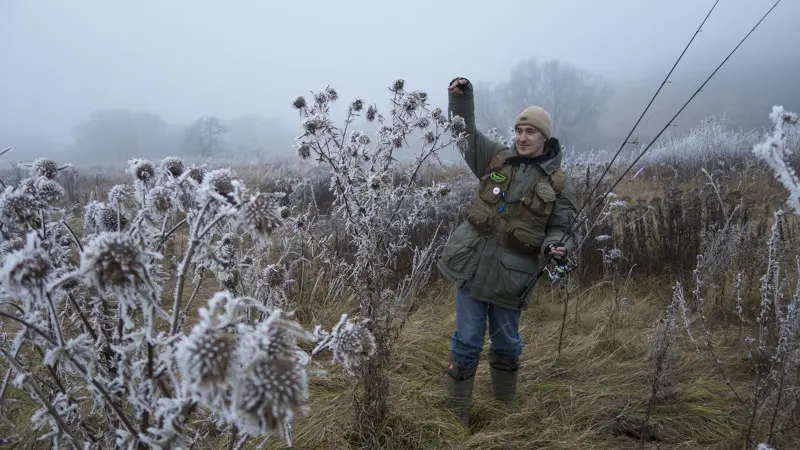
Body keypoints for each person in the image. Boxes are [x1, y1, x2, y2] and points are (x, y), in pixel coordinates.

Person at [437, 77, 578, 428]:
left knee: (507, 344)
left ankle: (504, 410)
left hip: (512, 278)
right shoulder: (495, 159)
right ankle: (456, 419)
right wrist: (461, 99)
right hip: (472, 267)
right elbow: (464, 133)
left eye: (530, 132)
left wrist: (556, 247)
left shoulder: (558, 183)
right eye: (519, 130)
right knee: (467, 341)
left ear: (545, 138)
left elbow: (561, 228)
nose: (522, 137)